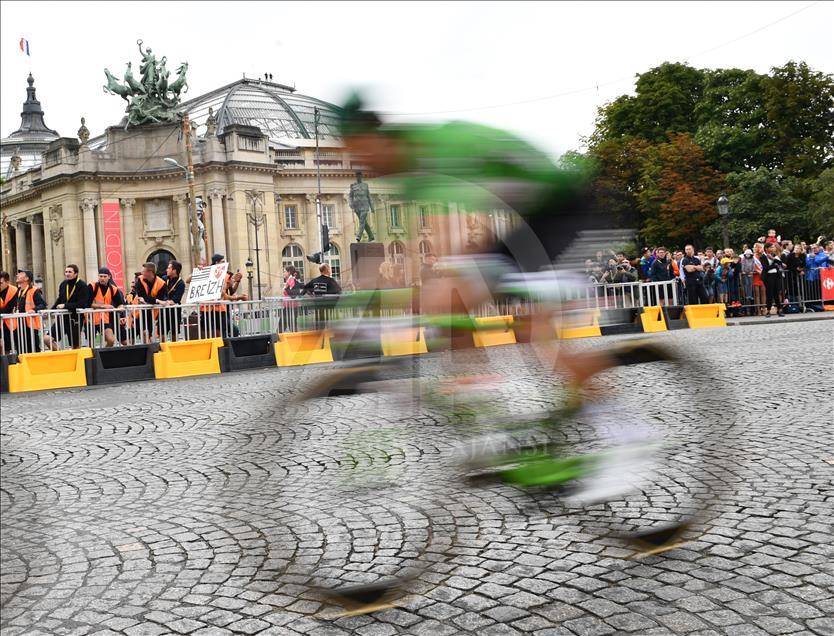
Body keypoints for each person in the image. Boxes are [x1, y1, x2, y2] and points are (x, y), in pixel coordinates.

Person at [44, 264, 90, 351]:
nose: (67, 274)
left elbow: (82, 303)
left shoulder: (82, 285)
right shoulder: (63, 284)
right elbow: (60, 299)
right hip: (62, 318)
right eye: (66, 272)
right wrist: (50, 311)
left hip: (75, 320)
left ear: (76, 274)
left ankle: (75, 362)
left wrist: (65, 305)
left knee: (75, 347)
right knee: (47, 338)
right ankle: (61, 355)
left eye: (70, 272)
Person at [87, 267, 126, 347]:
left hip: (106, 319)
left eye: (104, 276)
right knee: (91, 345)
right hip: (91, 319)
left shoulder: (113, 289)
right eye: (100, 276)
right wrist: (103, 306)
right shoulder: (92, 286)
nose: (102, 278)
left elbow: (120, 303)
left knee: (111, 340)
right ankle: (94, 358)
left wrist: (120, 310)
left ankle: (103, 356)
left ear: (109, 277)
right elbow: (87, 303)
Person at [13, 269, 46, 353]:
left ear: (27, 278)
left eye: (20, 274)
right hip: (19, 324)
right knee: (20, 347)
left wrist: (34, 310)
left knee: (33, 347)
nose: (17, 275)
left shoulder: (34, 290)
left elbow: (43, 304)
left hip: (30, 324)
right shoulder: (19, 291)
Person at [132, 262, 167, 342]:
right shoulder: (139, 280)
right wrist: (157, 300)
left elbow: (162, 298)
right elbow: (142, 296)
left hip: (151, 312)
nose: (141, 272)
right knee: (138, 334)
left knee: (147, 333)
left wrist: (152, 301)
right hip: (137, 311)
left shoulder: (162, 283)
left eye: (143, 271)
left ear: (150, 272)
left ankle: (150, 350)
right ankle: (147, 350)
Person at [159, 260, 186, 341]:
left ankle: (173, 348)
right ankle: (163, 348)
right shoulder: (164, 279)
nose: (167, 270)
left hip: (174, 311)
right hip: (164, 310)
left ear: (174, 270)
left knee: (174, 332)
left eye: (169, 268)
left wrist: (165, 302)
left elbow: (176, 299)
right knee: (162, 332)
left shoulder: (181, 283)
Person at [760, 244, 785, 317]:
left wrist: (773, 259)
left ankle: (779, 310)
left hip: (776, 276)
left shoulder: (774, 256)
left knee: (777, 293)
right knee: (769, 294)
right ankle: (768, 311)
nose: (773, 248)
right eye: (771, 247)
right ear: (766, 248)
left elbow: (781, 264)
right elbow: (766, 267)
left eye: (773, 247)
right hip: (768, 276)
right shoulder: (763, 256)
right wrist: (775, 265)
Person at [0, 271, 19, 354]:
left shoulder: (14, 291)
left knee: (7, 347)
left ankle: (6, 365)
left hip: (10, 323)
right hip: (3, 321)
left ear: (7, 282)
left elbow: (9, 309)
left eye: (0, 283)